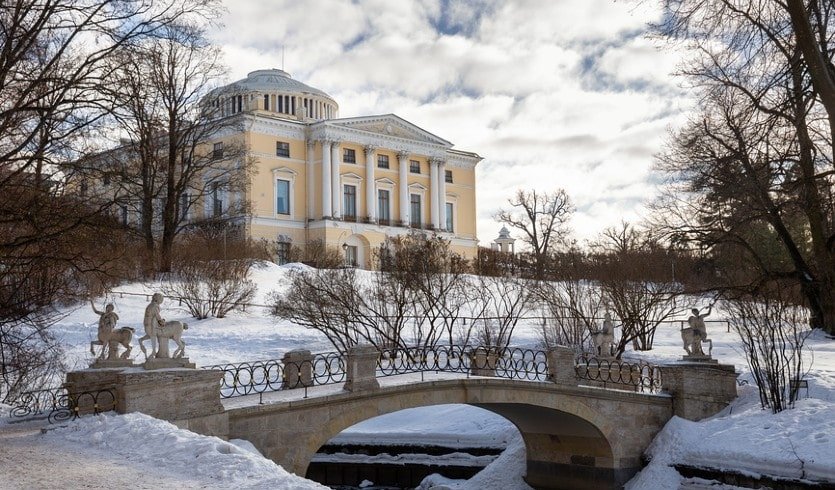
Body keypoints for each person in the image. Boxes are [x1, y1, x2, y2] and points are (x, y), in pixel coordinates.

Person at [143, 293, 165, 359]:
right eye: (161, 299)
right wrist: (161, 321)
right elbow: (157, 316)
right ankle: (154, 351)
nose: (161, 301)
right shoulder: (155, 306)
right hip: (151, 325)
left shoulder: (150, 305)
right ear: (157, 299)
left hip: (146, 323)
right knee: (153, 336)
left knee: (152, 336)